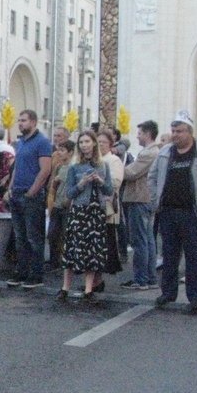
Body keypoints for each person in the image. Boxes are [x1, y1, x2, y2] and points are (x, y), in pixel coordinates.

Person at [147, 110, 197, 315]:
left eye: (179, 131)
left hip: (192, 214)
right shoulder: (165, 153)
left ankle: (195, 297)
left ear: (190, 131)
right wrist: (156, 201)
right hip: (168, 212)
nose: (175, 134)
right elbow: (152, 177)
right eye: (173, 131)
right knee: (169, 255)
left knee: (194, 257)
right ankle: (168, 293)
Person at [58, 130, 113, 303]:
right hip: (80, 210)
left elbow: (110, 190)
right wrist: (82, 183)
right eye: (81, 142)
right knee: (73, 248)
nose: (84, 145)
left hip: (96, 211)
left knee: (92, 250)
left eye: (87, 141)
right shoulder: (75, 167)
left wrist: (100, 181)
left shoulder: (103, 166)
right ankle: (65, 288)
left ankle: (89, 289)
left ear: (94, 143)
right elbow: (69, 193)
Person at [8, 109, 52, 289]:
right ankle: (22, 271)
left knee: (34, 237)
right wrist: (10, 187)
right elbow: (17, 167)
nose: (20, 123)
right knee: (20, 237)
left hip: (30, 194)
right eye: (19, 120)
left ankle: (36, 274)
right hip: (17, 192)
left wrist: (32, 191)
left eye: (24, 120)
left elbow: (45, 169)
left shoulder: (42, 142)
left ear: (33, 122)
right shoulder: (20, 142)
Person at [120, 120, 160, 290]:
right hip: (146, 199)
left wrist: (114, 165)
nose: (137, 136)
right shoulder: (151, 152)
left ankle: (141, 279)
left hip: (140, 198)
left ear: (147, 134)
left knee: (140, 241)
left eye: (139, 133)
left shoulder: (149, 153)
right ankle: (149, 278)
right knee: (148, 240)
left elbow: (131, 172)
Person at [94, 130, 124, 288]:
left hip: (106, 207)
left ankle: (98, 280)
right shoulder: (93, 159)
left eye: (103, 142)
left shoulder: (113, 160)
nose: (100, 145)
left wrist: (98, 179)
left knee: (104, 245)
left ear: (110, 144)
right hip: (91, 207)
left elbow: (115, 182)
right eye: (97, 142)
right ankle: (94, 280)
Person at [47, 139, 75, 270]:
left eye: (62, 150)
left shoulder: (73, 168)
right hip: (57, 204)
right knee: (52, 234)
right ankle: (54, 261)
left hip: (67, 205)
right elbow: (52, 186)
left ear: (70, 153)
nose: (59, 153)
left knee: (65, 234)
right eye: (59, 150)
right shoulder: (58, 167)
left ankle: (66, 261)